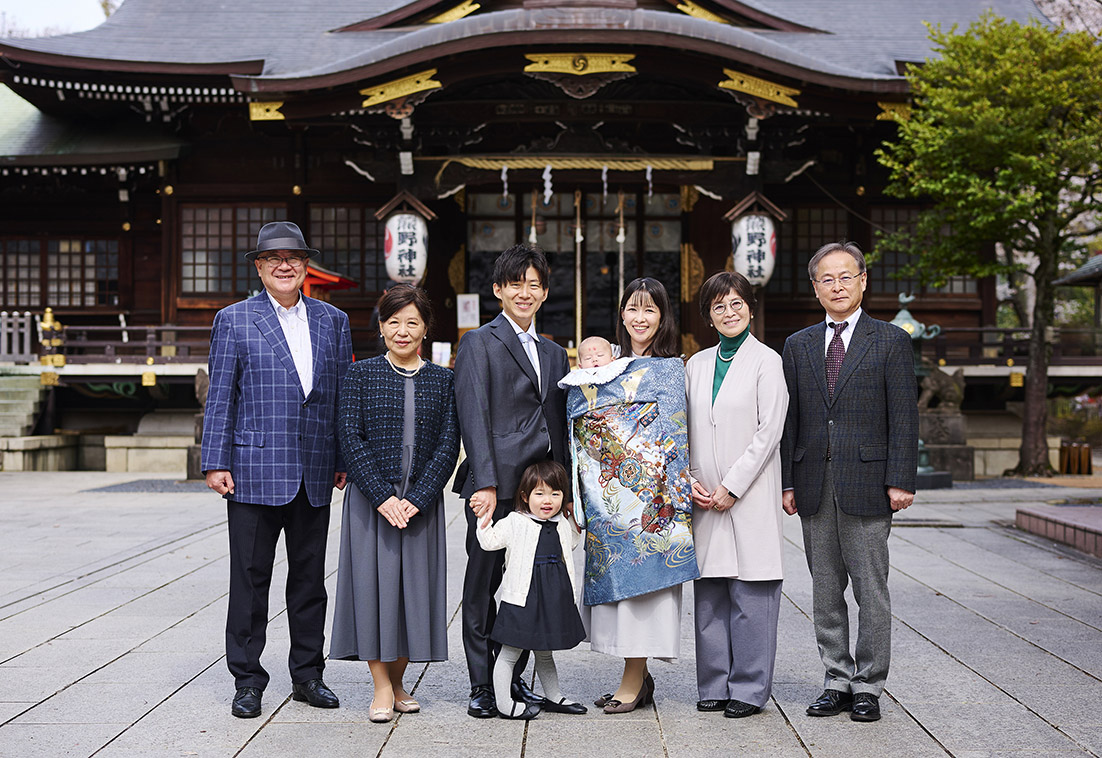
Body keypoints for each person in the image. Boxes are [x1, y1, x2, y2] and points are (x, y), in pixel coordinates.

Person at [201, 220, 353, 719]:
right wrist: (215, 461)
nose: (284, 265)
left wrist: (342, 458)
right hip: (251, 468)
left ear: (306, 265)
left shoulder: (333, 320)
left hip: (313, 469)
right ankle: (247, 678)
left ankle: (308, 675)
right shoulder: (234, 319)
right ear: (260, 267)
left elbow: (339, 398)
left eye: (294, 257)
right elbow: (221, 394)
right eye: (273, 259)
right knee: (250, 578)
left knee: (310, 580)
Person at [780, 241, 918, 723]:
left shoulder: (891, 341)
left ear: (863, 281)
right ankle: (835, 678)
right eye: (827, 279)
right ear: (815, 288)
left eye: (846, 277)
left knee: (871, 589)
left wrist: (901, 479)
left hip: (869, 482)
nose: (837, 286)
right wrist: (787, 481)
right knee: (824, 589)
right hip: (814, 480)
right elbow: (791, 419)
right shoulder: (797, 345)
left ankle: (870, 684)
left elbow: (904, 417)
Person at [452, 243, 572, 719]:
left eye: (534, 284)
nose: (525, 292)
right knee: (482, 585)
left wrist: (564, 495)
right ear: (498, 289)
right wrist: (482, 481)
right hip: (496, 487)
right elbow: (473, 415)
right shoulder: (479, 342)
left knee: (526, 588)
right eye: (515, 283)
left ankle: (514, 677)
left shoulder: (555, 352)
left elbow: (560, 421)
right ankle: (482, 684)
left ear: (544, 293)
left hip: (539, 493)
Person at [330, 285, 459, 723]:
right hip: (372, 503)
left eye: (412, 323)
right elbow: (350, 436)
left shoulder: (444, 379)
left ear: (425, 328)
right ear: (381, 326)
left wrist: (418, 499)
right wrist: (383, 496)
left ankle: (400, 680)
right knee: (372, 591)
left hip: (421, 505)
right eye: (393, 322)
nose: (402, 331)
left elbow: (448, 444)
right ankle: (381, 686)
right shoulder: (360, 374)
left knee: (413, 595)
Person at [571, 277, 698, 714]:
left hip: (652, 496)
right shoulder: (606, 365)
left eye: (649, 310)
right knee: (618, 592)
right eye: (632, 309)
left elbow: (675, 434)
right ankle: (638, 679)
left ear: (662, 317)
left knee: (645, 591)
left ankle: (632, 678)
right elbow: (582, 418)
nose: (639, 318)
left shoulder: (670, 367)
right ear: (621, 315)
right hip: (609, 495)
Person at [685, 271, 788, 719]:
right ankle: (713, 682)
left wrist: (732, 486)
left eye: (736, 304)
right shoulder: (696, 364)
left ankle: (747, 689)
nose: (729, 313)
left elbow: (769, 433)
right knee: (710, 596)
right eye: (718, 306)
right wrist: (688, 477)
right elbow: (683, 429)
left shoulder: (768, 361)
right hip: (702, 494)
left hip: (746, 495)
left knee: (751, 594)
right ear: (709, 315)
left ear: (751, 307)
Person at [476, 460, 588, 720]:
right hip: (523, 598)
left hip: (552, 597)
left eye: (555, 494)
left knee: (544, 651)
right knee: (509, 653)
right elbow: (491, 542)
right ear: (525, 496)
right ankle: (504, 703)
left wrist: (573, 518)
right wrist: (483, 516)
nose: (547, 500)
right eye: (539, 493)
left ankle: (554, 695)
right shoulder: (515, 521)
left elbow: (570, 542)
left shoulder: (560, 523)